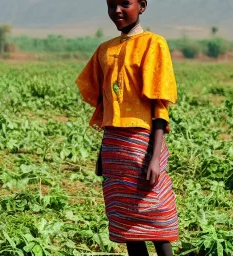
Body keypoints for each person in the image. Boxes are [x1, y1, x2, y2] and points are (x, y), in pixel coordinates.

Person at [75, 0, 178, 255]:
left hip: (143, 144)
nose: (117, 11)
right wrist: (102, 152)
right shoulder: (104, 50)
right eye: (111, 5)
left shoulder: (154, 43)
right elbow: (104, 104)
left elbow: (159, 104)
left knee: (156, 216)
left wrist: (155, 157)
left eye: (125, 3)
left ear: (142, 6)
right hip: (114, 147)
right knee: (127, 223)